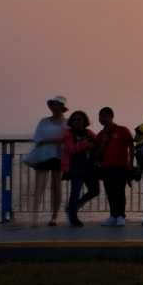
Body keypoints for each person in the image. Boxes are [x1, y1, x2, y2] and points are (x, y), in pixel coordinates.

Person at [29, 96, 68, 226]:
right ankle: (34, 215)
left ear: (63, 107)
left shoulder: (67, 122)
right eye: (53, 105)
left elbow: (69, 139)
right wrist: (56, 140)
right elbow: (38, 139)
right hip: (43, 156)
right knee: (39, 186)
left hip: (59, 156)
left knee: (56, 187)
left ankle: (54, 216)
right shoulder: (43, 121)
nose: (55, 107)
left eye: (58, 105)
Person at [95, 107, 134, 226]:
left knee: (119, 191)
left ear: (111, 117)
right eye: (100, 117)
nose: (101, 119)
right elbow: (97, 153)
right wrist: (104, 141)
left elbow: (131, 147)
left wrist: (131, 164)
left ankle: (121, 216)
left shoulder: (123, 130)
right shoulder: (100, 134)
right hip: (106, 166)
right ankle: (113, 215)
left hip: (121, 166)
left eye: (104, 116)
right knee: (110, 192)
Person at [62, 111, 100, 226]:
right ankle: (73, 218)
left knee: (95, 191)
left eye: (79, 119)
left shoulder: (89, 132)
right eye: (74, 119)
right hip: (75, 167)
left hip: (89, 166)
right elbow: (70, 148)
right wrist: (86, 145)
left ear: (84, 121)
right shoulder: (68, 133)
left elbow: (98, 142)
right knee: (75, 193)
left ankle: (73, 208)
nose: (76, 121)